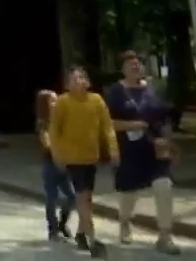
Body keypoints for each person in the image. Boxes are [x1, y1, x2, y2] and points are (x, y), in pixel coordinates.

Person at [105, 51, 180, 254]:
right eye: (131, 65)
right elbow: (106, 123)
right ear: (123, 69)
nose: (136, 67)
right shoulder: (115, 92)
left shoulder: (152, 89)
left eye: (138, 64)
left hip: (155, 149)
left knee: (163, 186)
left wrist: (168, 139)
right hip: (129, 150)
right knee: (129, 194)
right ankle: (124, 222)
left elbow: (164, 117)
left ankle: (165, 236)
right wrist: (132, 124)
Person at [48, 65, 117, 257]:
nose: (79, 81)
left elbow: (107, 127)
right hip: (73, 158)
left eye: (82, 78)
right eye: (74, 79)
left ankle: (80, 234)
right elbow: (54, 131)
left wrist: (113, 148)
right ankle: (93, 239)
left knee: (86, 198)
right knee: (81, 197)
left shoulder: (96, 100)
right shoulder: (63, 102)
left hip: (91, 157)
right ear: (68, 84)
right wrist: (57, 154)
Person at [34, 89, 75, 242]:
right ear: (45, 105)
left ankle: (62, 224)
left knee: (72, 196)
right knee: (52, 197)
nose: (56, 103)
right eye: (52, 101)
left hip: (64, 165)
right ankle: (53, 229)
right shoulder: (43, 123)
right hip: (50, 166)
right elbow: (46, 143)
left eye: (57, 100)